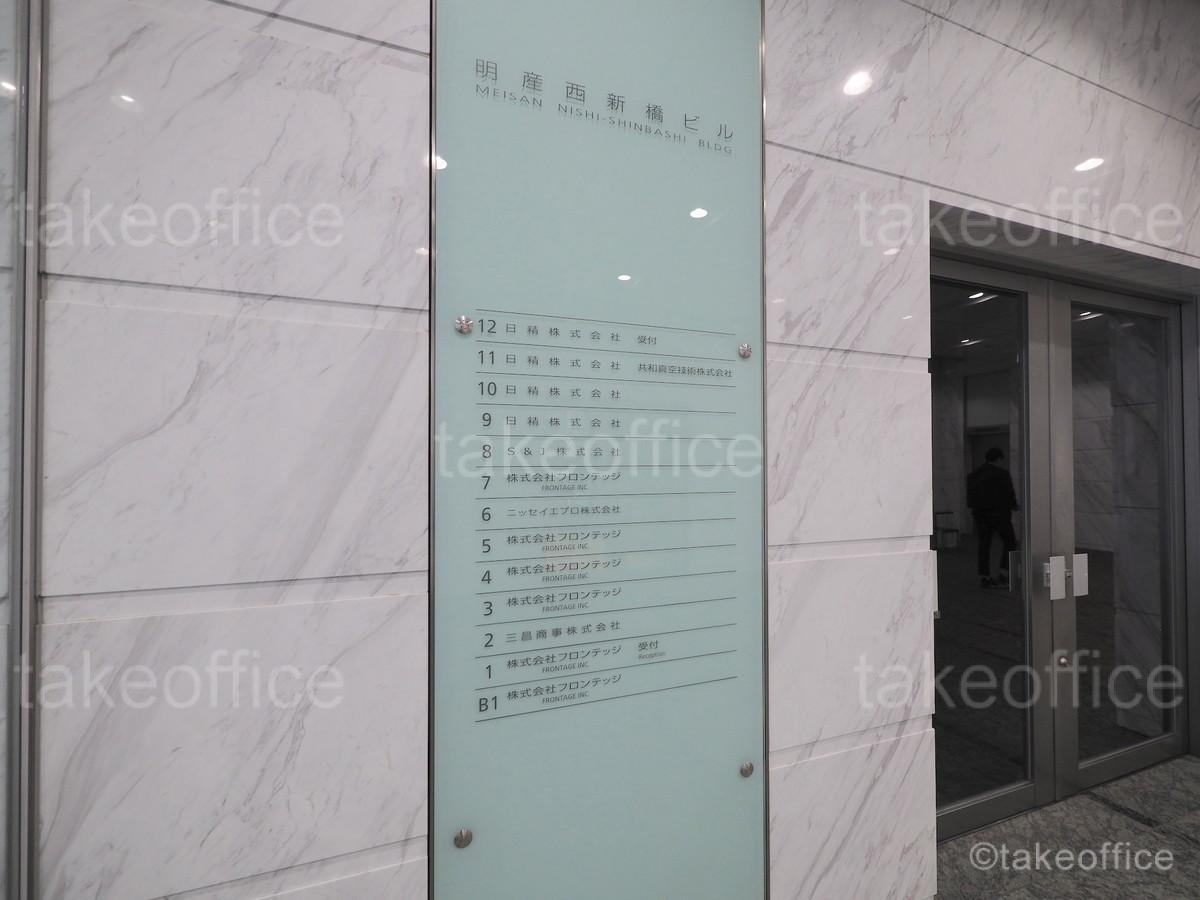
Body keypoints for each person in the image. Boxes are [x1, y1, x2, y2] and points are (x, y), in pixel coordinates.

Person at [967, 447, 1019, 588]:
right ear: (999, 459)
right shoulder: (1002, 474)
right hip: (1000, 514)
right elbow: (1009, 493)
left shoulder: (973, 474)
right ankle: (1003, 573)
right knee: (1010, 542)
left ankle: (984, 576)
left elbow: (970, 499)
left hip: (980, 515)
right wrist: (1014, 505)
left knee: (984, 544)